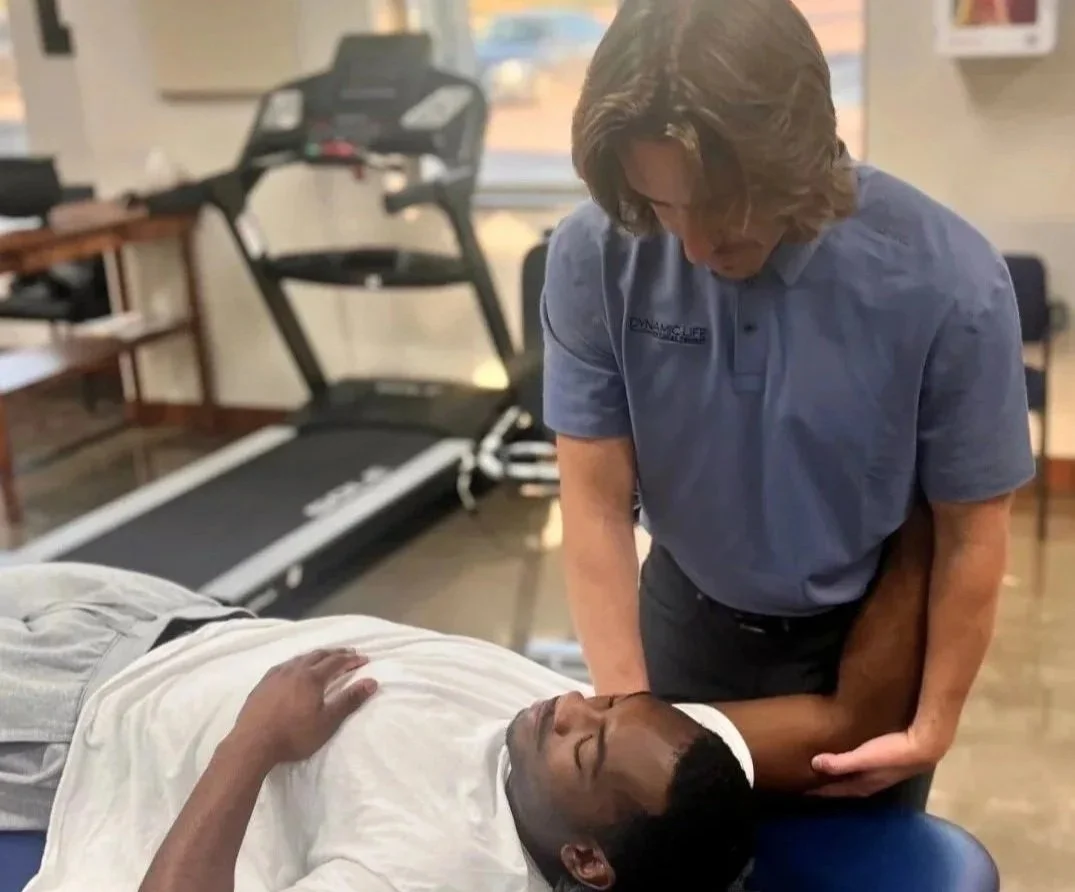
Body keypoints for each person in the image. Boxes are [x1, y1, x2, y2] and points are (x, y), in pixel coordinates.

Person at [544, 0, 1033, 812]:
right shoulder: (595, 252)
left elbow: (969, 535)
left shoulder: (949, 283)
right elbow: (592, 501)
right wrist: (625, 716)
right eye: (663, 208)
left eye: (720, 210)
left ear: (798, 159)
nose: (694, 249)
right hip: (680, 613)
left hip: (856, 633)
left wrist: (935, 721)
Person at [9, 511, 929, 892]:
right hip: (170, 616)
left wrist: (255, 740)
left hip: (77, 722)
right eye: (603, 704)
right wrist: (927, 516)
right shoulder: (663, 755)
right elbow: (850, 722)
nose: (569, 712)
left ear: (585, 861)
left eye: (585, 749)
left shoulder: (438, 866)